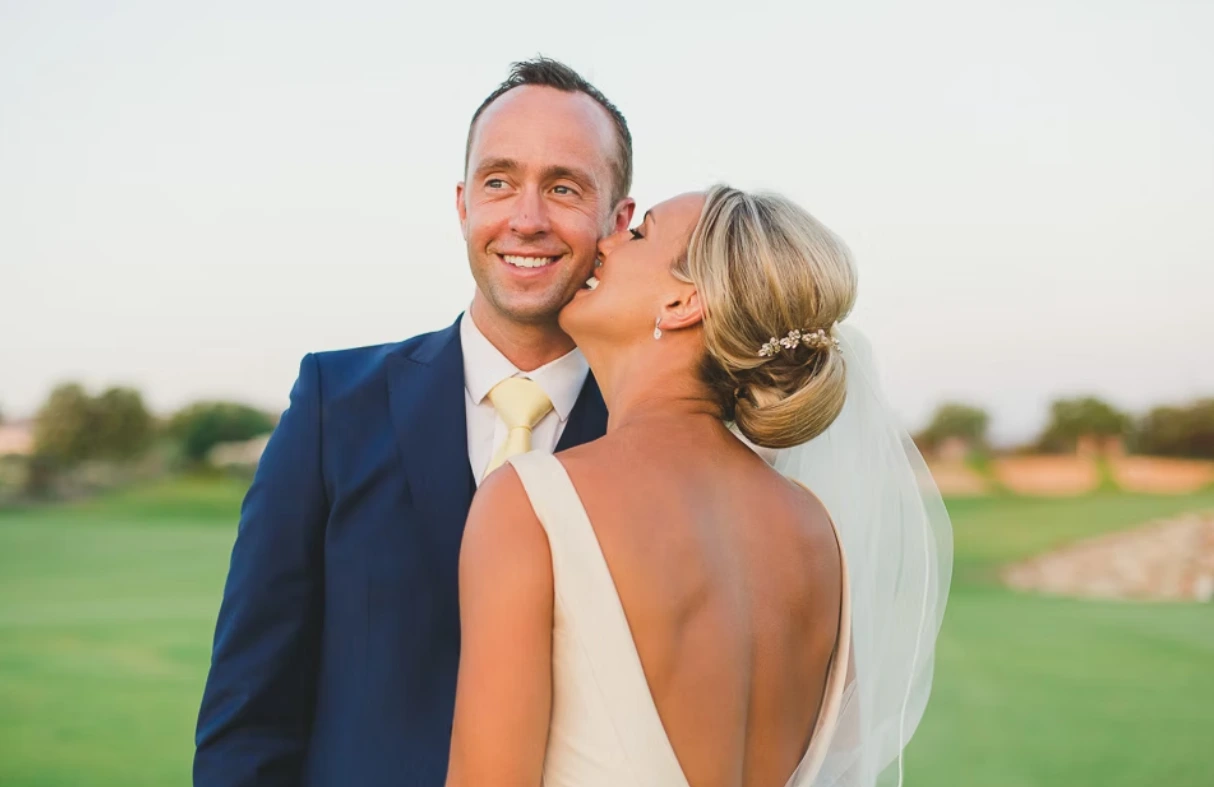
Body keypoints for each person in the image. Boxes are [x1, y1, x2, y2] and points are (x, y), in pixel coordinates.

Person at [193, 58, 635, 787]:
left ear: (617, 221)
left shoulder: (647, 440)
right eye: (499, 181)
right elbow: (249, 710)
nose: (526, 218)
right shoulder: (333, 405)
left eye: (564, 187)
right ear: (462, 204)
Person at [446, 186, 953, 786]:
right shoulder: (817, 533)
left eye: (639, 233)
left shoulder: (529, 504)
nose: (606, 240)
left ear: (684, 302)